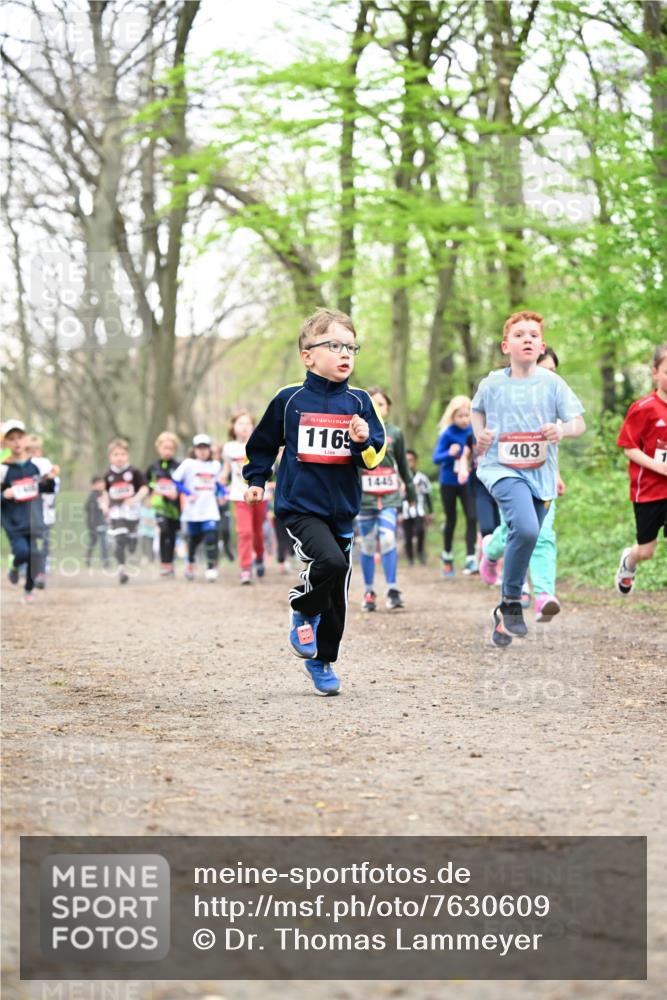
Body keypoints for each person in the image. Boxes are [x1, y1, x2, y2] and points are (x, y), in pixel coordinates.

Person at [243, 307, 386, 696]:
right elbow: (262, 443)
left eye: (352, 347)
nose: (346, 354)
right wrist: (257, 479)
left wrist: (361, 442)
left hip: (342, 508)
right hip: (300, 506)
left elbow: (375, 457)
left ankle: (322, 661)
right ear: (308, 355)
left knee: (338, 591)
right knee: (331, 562)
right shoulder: (289, 400)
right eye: (335, 345)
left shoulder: (359, 402)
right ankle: (303, 607)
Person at [471, 311, 585, 645]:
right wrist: (480, 437)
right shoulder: (492, 383)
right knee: (528, 528)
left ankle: (503, 613)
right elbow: (477, 411)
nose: (527, 340)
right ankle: (510, 602)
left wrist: (561, 429)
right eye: (520, 335)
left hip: (542, 475)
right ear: (507, 345)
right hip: (501, 469)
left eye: (534, 335)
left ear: (542, 345)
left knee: (526, 536)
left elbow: (578, 423)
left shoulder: (553, 383)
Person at [476, 347, 566, 621]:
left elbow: (551, 451)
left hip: (544, 479)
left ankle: (544, 595)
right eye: (544, 370)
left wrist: (557, 475)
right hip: (510, 479)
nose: (549, 376)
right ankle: (492, 553)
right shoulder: (503, 396)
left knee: (543, 534)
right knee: (517, 530)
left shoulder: (554, 401)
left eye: (553, 371)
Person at [615, 343, 667, 594]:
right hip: (648, 491)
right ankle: (630, 560)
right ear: (655, 372)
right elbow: (628, 447)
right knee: (646, 550)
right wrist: (660, 466)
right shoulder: (644, 408)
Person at [357, 387, 415, 610]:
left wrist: (411, 493)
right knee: (369, 543)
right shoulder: (357, 431)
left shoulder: (396, 433)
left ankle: (392, 588)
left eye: (381, 404)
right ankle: (369, 591)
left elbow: (404, 465)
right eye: (373, 404)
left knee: (389, 537)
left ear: (388, 408)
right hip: (365, 499)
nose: (377, 408)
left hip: (390, 496)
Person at [1, 419, 57, 601]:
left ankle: (28, 590)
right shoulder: (3, 469)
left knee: (34, 555)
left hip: (34, 519)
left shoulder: (37, 465)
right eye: (11, 439)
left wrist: (49, 479)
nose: (16, 442)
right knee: (23, 552)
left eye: (20, 437)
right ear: (5, 443)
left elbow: (47, 489)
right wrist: (5, 494)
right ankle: (15, 565)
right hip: (13, 522)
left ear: (25, 440)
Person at [432, 395, 477, 576]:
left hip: (467, 480)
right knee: (451, 520)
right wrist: (449, 453)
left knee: (472, 517)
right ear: (453, 416)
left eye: (467, 415)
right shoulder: (447, 433)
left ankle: (471, 558)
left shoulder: (473, 431)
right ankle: (448, 557)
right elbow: (436, 458)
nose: (464, 420)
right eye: (460, 416)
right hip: (449, 482)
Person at [222, 411, 267, 584]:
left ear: (253, 427)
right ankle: (246, 569)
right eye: (239, 424)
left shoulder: (261, 444)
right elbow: (226, 469)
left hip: (260, 494)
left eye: (247, 424)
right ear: (233, 428)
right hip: (239, 495)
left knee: (257, 532)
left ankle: (260, 556)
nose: (243, 428)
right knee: (245, 532)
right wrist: (220, 481)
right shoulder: (229, 448)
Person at [172, 434, 222, 582]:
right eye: (199, 448)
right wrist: (187, 493)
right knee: (194, 539)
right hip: (193, 510)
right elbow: (176, 480)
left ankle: (211, 567)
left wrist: (223, 493)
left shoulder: (215, 465)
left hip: (210, 508)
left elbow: (218, 483)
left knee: (211, 535)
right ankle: (190, 563)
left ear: (209, 449)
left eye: (205, 448)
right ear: (194, 449)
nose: (202, 451)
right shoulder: (188, 464)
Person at [103, 438, 148, 584]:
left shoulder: (134, 472)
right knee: (120, 539)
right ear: (110, 457)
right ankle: (122, 569)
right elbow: (104, 493)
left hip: (132, 512)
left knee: (131, 542)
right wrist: (104, 506)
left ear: (127, 455)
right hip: (116, 512)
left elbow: (144, 488)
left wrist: (135, 499)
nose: (119, 458)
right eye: (116, 455)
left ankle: (133, 539)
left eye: (122, 454)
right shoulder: (108, 475)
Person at [25, 434, 60, 586]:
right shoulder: (25, 466)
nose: (33, 454)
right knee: (30, 539)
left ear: (41, 451)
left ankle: (42, 568)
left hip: (46, 510)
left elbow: (54, 487)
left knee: (44, 540)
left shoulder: (46, 465)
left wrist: (48, 480)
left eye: (36, 450)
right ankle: (27, 566)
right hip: (29, 511)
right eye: (30, 450)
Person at [145, 431, 181, 577]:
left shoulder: (178, 466)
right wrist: (151, 492)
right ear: (158, 448)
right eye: (165, 447)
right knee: (163, 530)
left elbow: (184, 484)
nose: (167, 451)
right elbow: (146, 483)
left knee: (172, 534)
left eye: (171, 448)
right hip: (159, 506)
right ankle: (163, 563)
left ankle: (170, 563)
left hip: (174, 506)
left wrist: (176, 491)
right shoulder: (153, 467)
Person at [402, 449, 433, 566]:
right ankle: (410, 558)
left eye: (411, 460)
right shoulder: (400, 478)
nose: (409, 462)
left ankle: (420, 552)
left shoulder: (422, 478)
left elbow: (427, 495)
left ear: (415, 461)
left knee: (420, 530)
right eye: (406, 460)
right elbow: (396, 497)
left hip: (419, 510)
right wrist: (398, 512)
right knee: (408, 535)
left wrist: (430, 511)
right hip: (405, 511)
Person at [84, 475, 110, 568]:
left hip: (103, 522)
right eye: (99, 483)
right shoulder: (93, 496)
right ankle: (88, 558)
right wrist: (92, 524)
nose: (102, 485)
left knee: (104, 542)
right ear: (94, 485)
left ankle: (105, 561)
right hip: (95, 523)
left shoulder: (103, 494)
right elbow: (88, 509)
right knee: (94, 541)